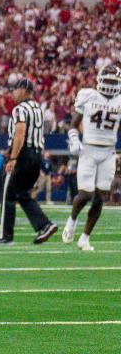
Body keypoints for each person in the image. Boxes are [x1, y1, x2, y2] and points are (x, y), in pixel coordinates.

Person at [0, 79, 57, 245]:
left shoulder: (20, 109)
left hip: (23, 154)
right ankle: (45, 224)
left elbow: (20, 134)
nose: (13, 93)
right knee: (22, 193)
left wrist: (12, 157)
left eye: (15, 89)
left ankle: (5, 236)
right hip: (36, 155)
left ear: (24, 90)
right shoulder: (37, 108)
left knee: (7, 195)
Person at [62, 65, 121, 251]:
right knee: (86, 194)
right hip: (88, 149)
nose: (110, 85)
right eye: (108, 81)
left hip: (108, 151)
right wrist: (74, 140)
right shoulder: (89, 95)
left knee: (100, 197)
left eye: (114, 81)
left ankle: (85, 238)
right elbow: (73, 123)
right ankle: (71, 220)